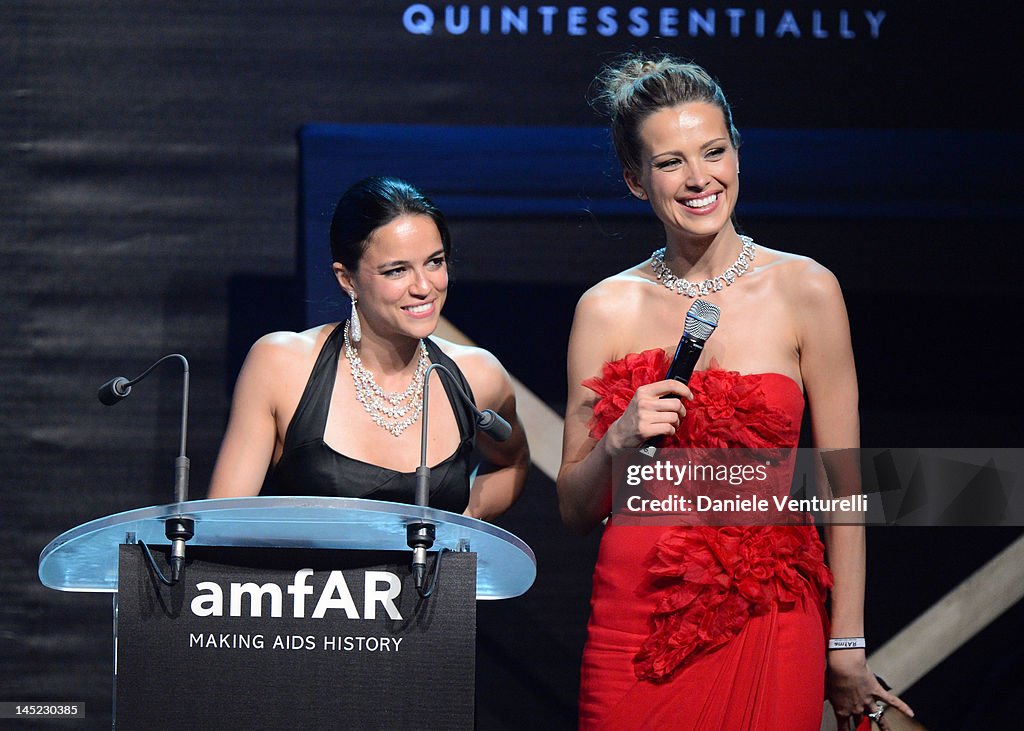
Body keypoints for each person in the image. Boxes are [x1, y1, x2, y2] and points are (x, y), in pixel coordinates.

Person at [556, 54, 913, 730]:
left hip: (770, 614)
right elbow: (576, 506)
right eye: (670, 163)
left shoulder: (806, 289)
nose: (699, 179)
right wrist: (619, 439)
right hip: (636, 619)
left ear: (738, 156)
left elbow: (843, 484)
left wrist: (847, 640)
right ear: (636, 181)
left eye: (714, 151)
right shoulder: (605, 309)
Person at [208, 175, 528, 522]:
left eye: (434, 262)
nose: (424, 286)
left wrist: (464, 516)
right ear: (347, 279)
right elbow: (219, 524)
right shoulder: (282, 364)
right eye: (397, 271)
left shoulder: (477, 374)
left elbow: (513, 462)